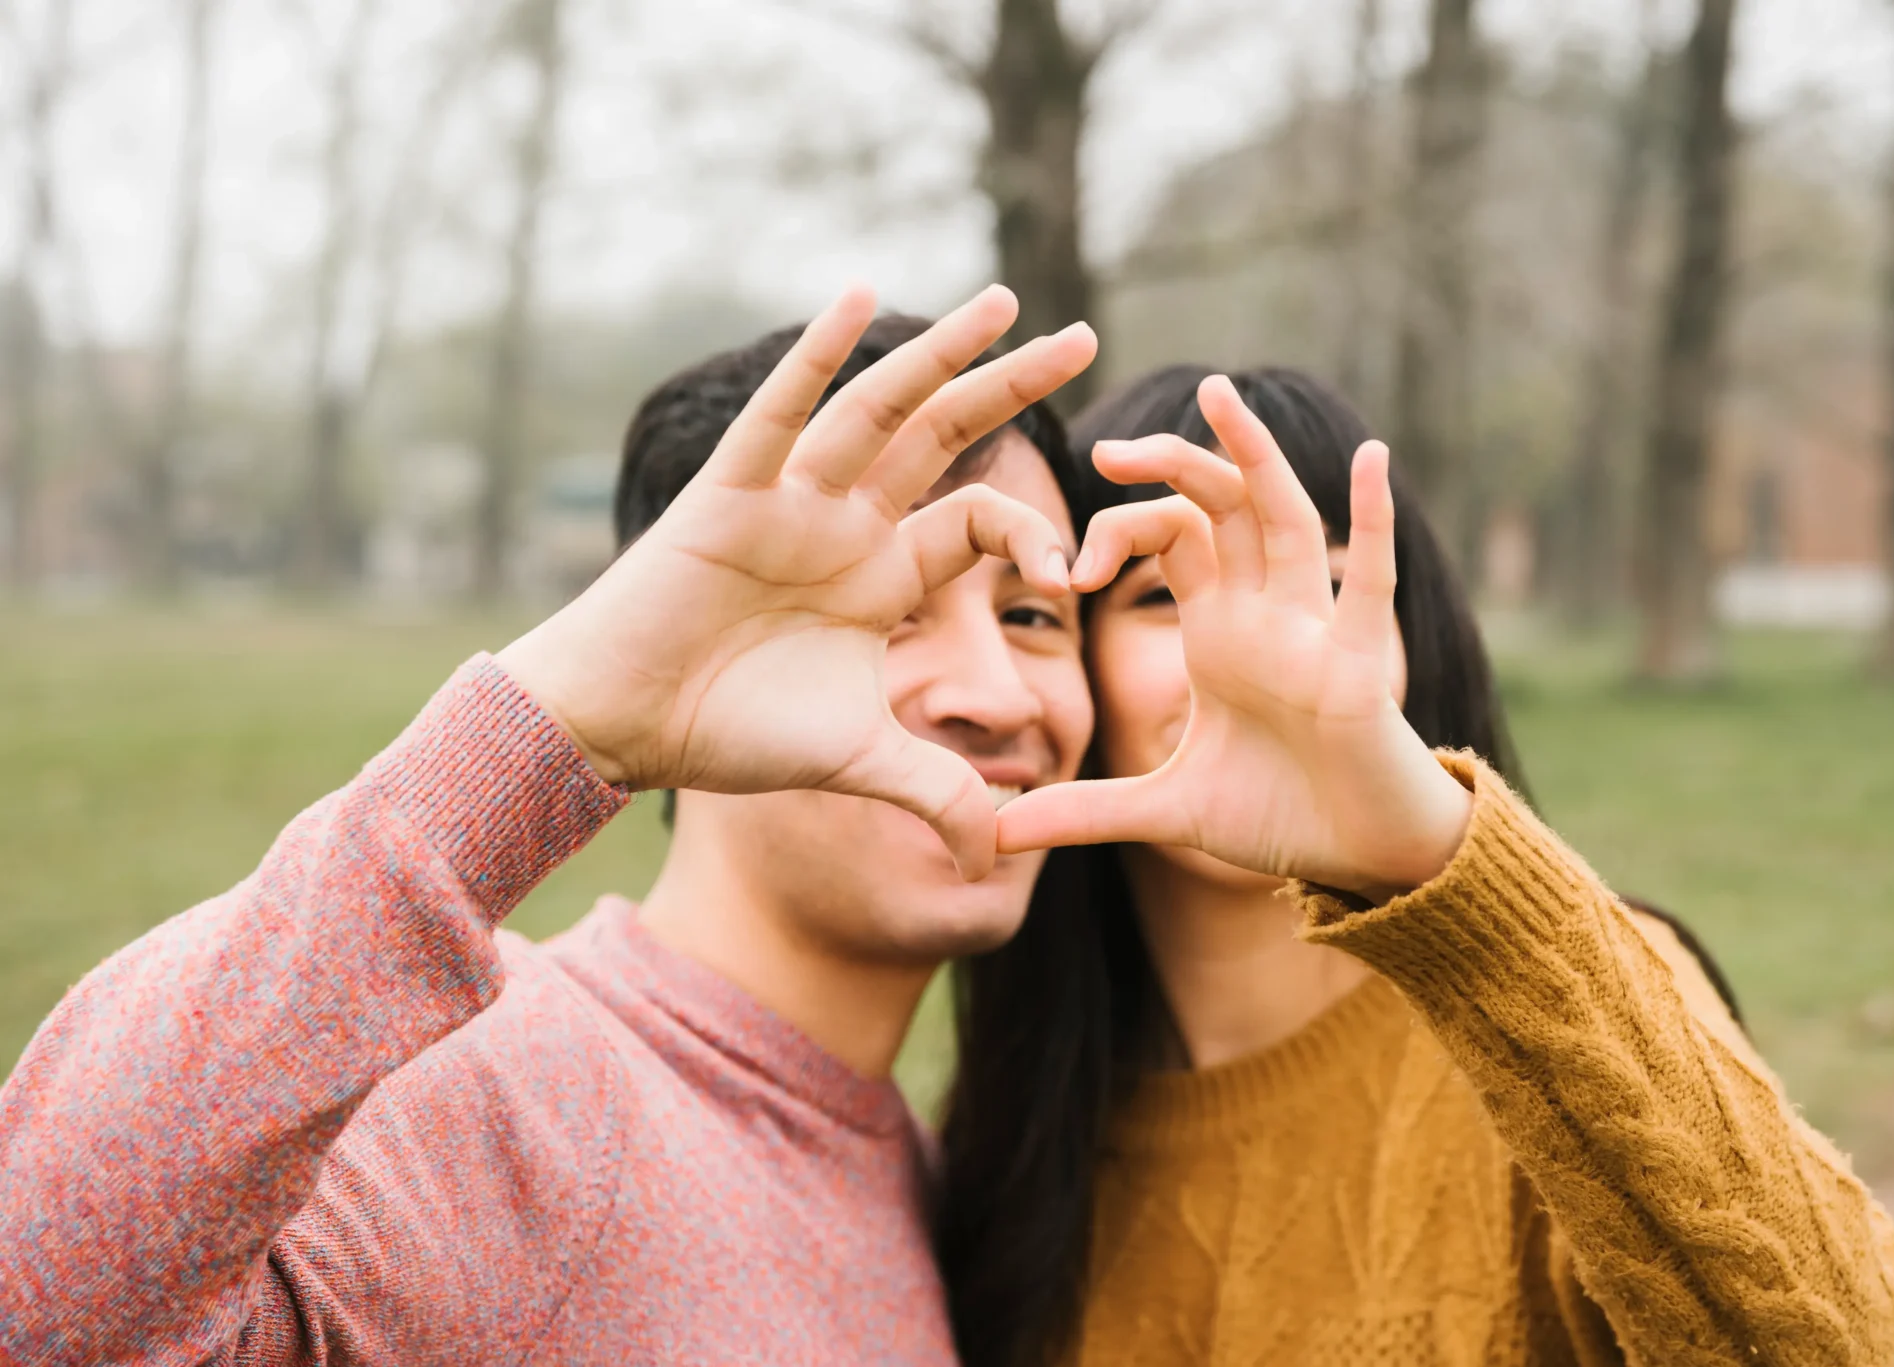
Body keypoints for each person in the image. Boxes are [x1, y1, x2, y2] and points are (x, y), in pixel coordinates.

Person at [0, 285, 1101, 1366]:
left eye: (1033, 615)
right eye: (888, 604)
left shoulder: (935, 1175)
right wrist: (549, 721)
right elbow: (42, 1303)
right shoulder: (514, 1099)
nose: (996, 693)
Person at [942, 367, 1894, 1367]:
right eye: (1164, 593)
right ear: (1075, 663)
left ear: (1413, 649)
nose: (1255, 650)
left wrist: (1447, 871)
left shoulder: (1574, 1008)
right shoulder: (1017, 1115)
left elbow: (1827, 1344)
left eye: (1324, 586)